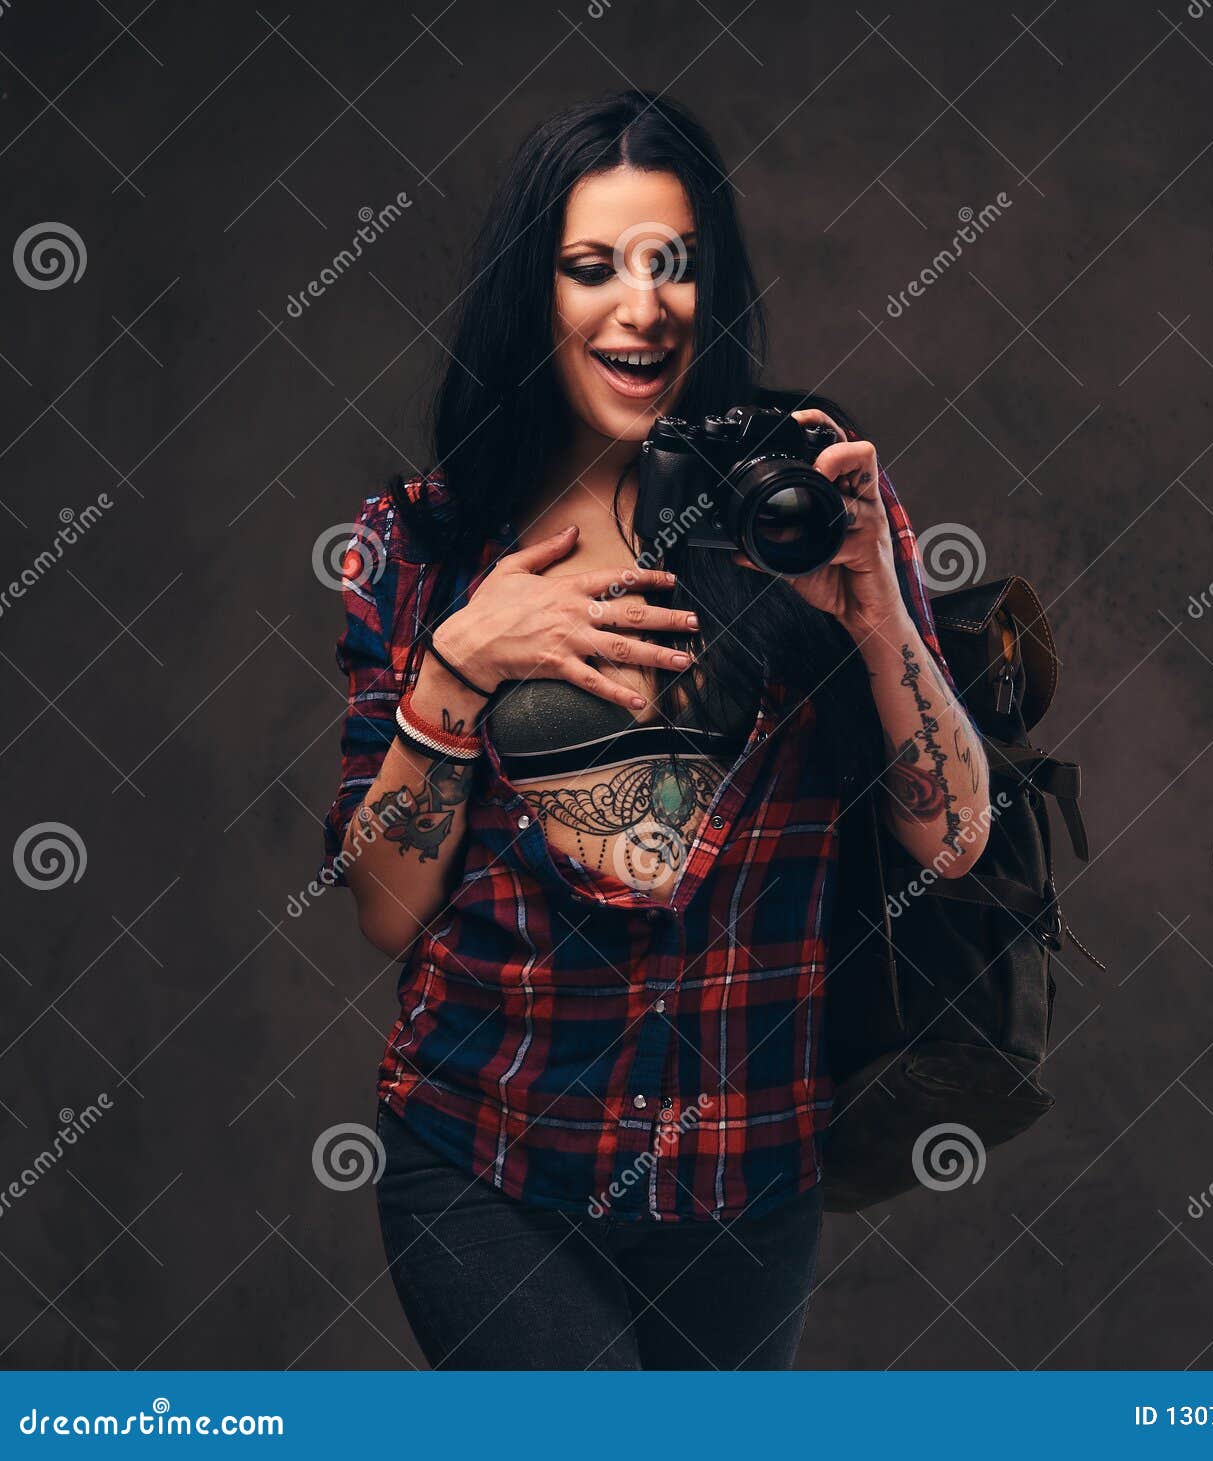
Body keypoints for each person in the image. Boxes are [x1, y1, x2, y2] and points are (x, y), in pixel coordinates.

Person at [317, 87, 992, 1370]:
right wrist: (458, 667)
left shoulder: (800, 500)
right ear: (539, 296)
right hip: (488, 1162)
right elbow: (385, 913)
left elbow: (953, 839)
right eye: (593, 267)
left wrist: (874, 616)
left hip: (746, 1180)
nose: (642, 305)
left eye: (672, 264)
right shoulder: (423, 541)